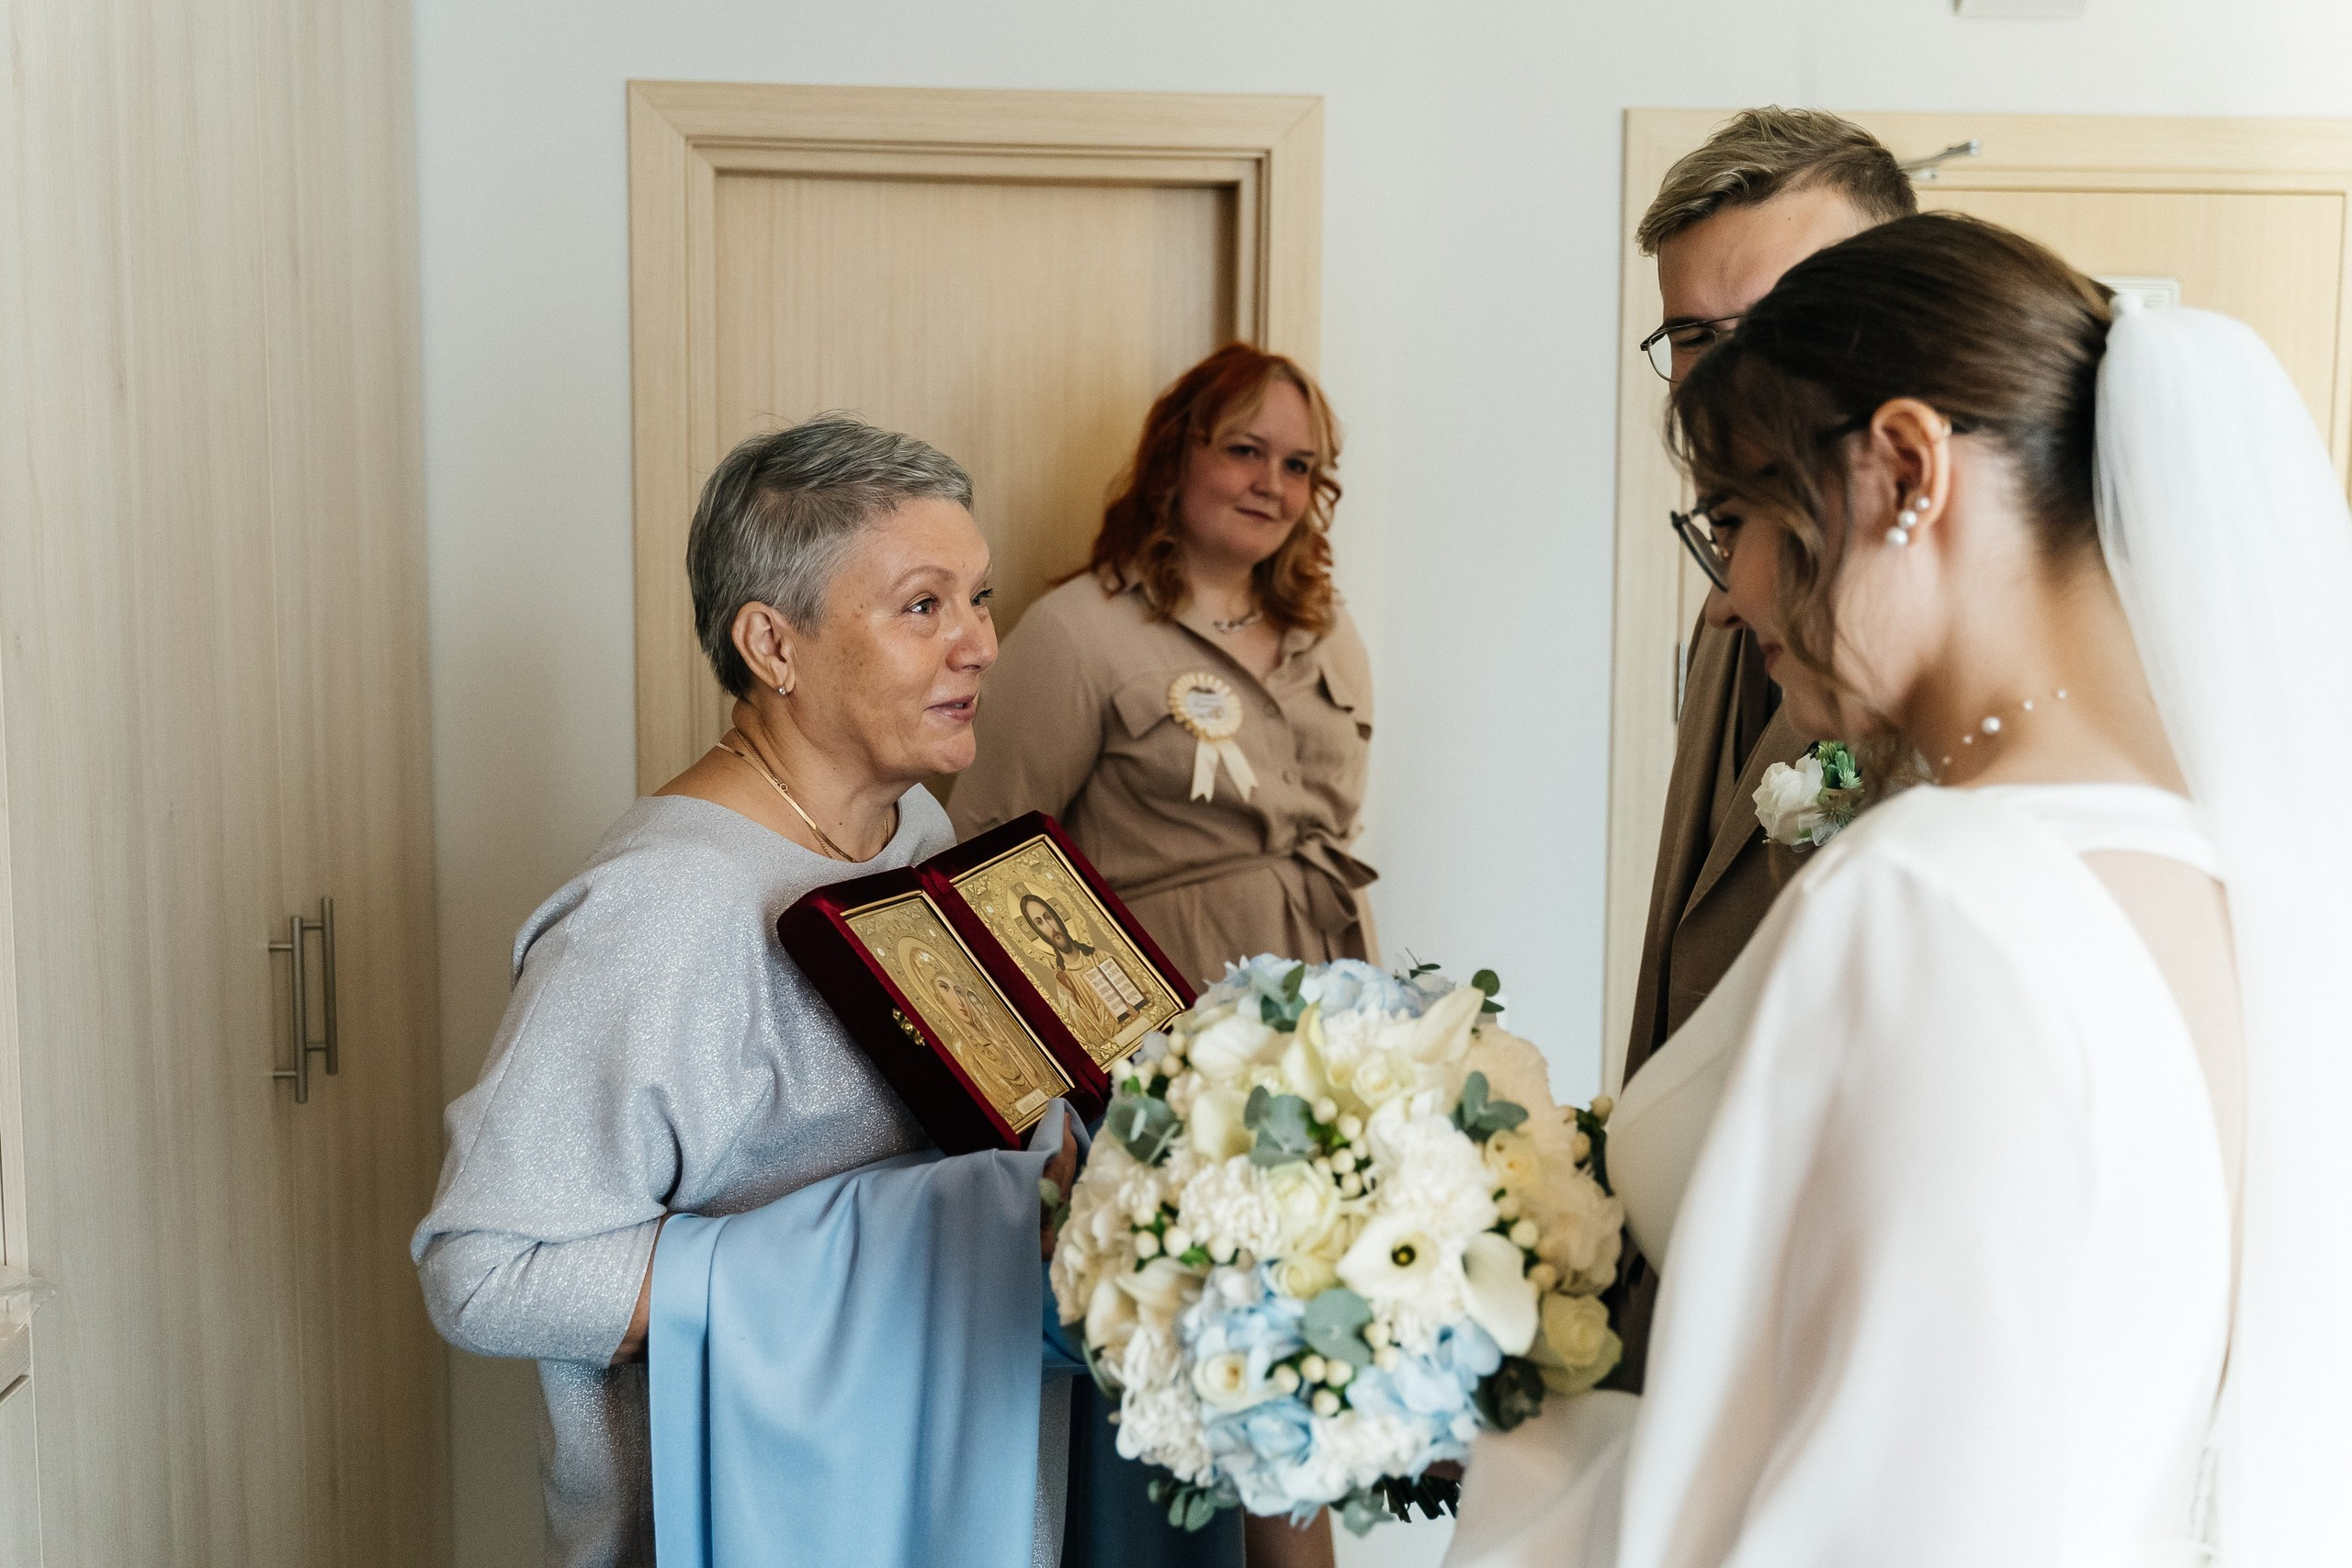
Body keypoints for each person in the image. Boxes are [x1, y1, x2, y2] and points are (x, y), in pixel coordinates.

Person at [1448, 215, 2352, 1565]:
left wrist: (1457, 1421)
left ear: (1906, 471)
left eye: (1739, 521)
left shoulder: (1936, 894)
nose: (1731, 596)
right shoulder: (2209, 876)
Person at [412, 414, 1078, 1568]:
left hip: (938, 1476)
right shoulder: (658, 909)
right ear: (773, 644)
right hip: (748, 1519)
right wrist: (879, 1255)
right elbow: (482, 1275)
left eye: (978, 598)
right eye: (924, 606)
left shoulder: (912, 831)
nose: (980, 643)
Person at [951, 341, 1368, 1568]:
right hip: (1160, 1055)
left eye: (1301, 465)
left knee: (1309, 1366)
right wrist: (1046, 1096)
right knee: (1196, 1371)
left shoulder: (1323, 630)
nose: (1273, 484)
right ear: (1176, 454)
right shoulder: (1079, 631)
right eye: (1245, 449)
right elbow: (989, 862)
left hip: (1319, 1043)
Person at [1610, 107, 1917, 1392]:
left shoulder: (1933, 662)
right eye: (1694, 335)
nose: (1726, 376)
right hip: (1678, 1280)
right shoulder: (1726, 600)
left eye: (1778, 319)